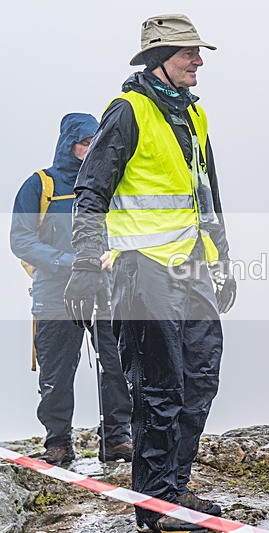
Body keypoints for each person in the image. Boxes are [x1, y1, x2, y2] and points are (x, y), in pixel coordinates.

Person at [64, 14, 236, 533]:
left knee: (201, 378)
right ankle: (156, 508)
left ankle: (174, 488)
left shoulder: (195, 116)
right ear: (160, 57)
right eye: (189, 53)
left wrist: (223, 260)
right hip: (142, 271)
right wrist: (84, 266)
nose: (198, 60)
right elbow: (91, 192)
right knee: (160, 389)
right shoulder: (127, 112)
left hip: (192, 269)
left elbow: (207, 195)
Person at [10, 113, 133, 466]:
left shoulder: (112, 183)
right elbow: (21, 240)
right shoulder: (40, 185)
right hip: (54, 295)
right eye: (84, 142)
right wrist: (71, 261)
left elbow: (129, 229)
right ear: (68, 143)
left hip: (108, 292)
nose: (91, 148)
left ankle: (117, 438)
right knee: (57, 371)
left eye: (96, 141)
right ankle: (58, 443)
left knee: (117, 364)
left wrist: (117, 254)